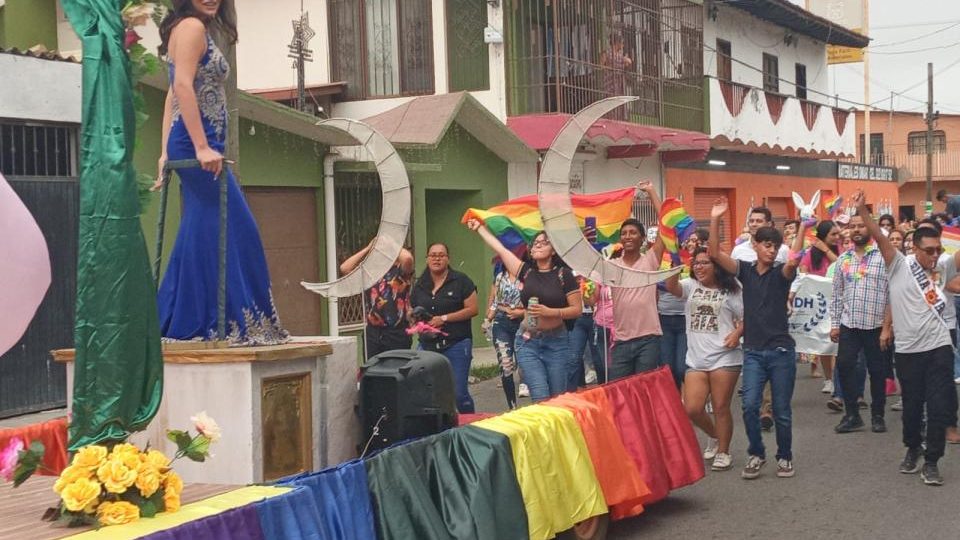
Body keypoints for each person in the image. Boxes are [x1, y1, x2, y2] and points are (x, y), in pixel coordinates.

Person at [154, 0, 287, 345]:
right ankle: (224, 320)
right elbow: (181, 87)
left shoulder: (194, 28)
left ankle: (186, 318)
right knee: (236, 226)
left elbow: (173, 92)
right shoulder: (192, 28)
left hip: (201, 144)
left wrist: (165, 149)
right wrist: (197, 146)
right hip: (199, 146)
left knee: (202, 223)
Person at [853, 190, 960, 486]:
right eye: (929, 250)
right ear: (915, 248)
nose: (934, 255)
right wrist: (863, 210)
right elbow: (879, 235)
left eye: (937, 249)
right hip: (909, 350)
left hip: (939, 347)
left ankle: (932, 461)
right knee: (912, 406)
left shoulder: (942, 266)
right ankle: (913, 447)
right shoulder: (899, 265)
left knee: (938, 407)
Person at [709, 196, 805, 480]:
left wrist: (803, 227)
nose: (771, 250)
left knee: (781, 410)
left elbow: (794, 259)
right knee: (749, 405)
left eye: (775, 245)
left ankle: (785, 456)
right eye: (766, 244)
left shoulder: (782, 274)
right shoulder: (745, 272)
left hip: (781, 352)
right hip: (752, 351)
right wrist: (715, 218)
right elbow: (714, 253)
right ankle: (756, 453)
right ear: (755, 246)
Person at [468, 223, 582, 401]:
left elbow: (576, 310)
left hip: (556, 343)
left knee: (557, 399)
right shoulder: (527, 272)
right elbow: (501, 250)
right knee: (540, 396)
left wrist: (550, 312)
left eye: (544, 242)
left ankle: (552, 429)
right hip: (528, 342)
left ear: (554, 250)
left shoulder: (564, 275)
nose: (537, 245)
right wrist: (479, 228)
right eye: (535, 242)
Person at [664, 247, 744, 472]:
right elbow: (671, 287)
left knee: (720, 406)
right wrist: (674, 263)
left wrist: (737, 334)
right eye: (695, 263)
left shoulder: (733, 291)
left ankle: (724, 452)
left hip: (725, 356)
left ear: (717, 266)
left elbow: (748, 317)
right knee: (692, 408)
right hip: (696, 359)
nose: (698, 267)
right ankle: (716, 436)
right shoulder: (691, 287)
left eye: (704, 263)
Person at [829, 214, 893, 434]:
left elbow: (891, 294)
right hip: (850, 324)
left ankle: (878, 414)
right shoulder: (843, 259)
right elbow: (837, 294)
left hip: (876, 325)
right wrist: (835, 324)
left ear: (870, 228)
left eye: (861, 226)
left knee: (877, 370)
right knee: (845, 365)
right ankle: (852, 414)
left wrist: (887, 327)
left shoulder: (882, 256)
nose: (856, 230)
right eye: (853, 226)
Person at [409, 243, 479, 413]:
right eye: (433, 255)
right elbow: (411, 310)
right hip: (427, 345)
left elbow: (473, 309)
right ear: (427, 259)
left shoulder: (461, 281)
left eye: (441, 255)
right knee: (424, 392)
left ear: (448, 259)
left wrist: (444, 319)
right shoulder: (419, 285)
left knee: (458, 394)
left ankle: (469, 425)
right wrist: (415, 320)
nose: (437, 258)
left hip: (457, 343)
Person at [610, 182, 666, 380]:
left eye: (633, 233)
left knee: (644, 391)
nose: (628, 236)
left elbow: (666, 225)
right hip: (621, 341)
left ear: (642, 239)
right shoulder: (612, 265)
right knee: (619, 392)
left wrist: (651, 192)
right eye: (624, 233)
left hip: (648, 339)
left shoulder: (651, 260)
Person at [340, 241, 414, 359]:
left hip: (396, 332)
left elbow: (408, 258)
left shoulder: (401, 271)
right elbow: (345, 268)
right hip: (373, 333)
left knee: (396, 372)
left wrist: (391, 241)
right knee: (372, 372)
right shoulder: (370, 272)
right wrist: (368, 248)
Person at [657, 228, 709, 389]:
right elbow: (656, 282)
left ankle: (698, 396)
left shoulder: (698, 261)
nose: (689, 242)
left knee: (682, 367)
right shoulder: (663, 258)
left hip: (687, 320)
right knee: (668, 368)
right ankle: (676, 406)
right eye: (686, 240)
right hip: (664, 318)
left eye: (693, 240)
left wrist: (669, 282)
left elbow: (694, 284)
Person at [794, 220, 840, 394]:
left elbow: (842, 266)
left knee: (838, 346)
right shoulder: (809, 255)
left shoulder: (842, 251)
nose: (837, 237)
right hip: (819, 306)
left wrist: (826, 250)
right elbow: (803, 274)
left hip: (839, 303)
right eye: (833, 234)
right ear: (822, 235)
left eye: (838, 234)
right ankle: (829, 379)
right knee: (825, 344)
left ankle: (840, 380)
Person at [483, 259, 525, 409]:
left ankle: (527, 387)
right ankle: (512, 407)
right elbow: (495, 301)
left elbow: (538, 301)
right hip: (502, 322)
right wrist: (488, 319)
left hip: (524, 323)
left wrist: (522, 312)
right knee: (506, 364)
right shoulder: (500, 276)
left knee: (525, 363)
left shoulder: (529, 276)